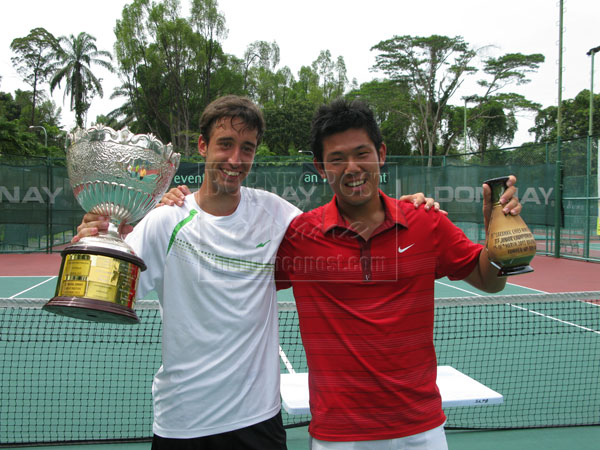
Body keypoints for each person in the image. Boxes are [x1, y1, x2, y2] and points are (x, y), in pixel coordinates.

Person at [73, 95, 444, 449]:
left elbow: (341, 226)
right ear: (202, 146)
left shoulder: (277, 215)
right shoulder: (165, 220)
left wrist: (403, 206)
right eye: (225, 144)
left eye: (247, 148)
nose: (235, 158)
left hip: (258, 420)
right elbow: (104, 294)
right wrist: (98, 241)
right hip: (182, 420)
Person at [274, 98, 522, 450]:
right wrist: (179, 203)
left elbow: (489, 282)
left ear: (381, 153)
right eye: (336, 159)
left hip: (421, 432)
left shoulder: (427, 221)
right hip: (338, 435)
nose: (352, 167)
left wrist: (497, 239)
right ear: (320, 166)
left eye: (361, 153)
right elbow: (233, 275)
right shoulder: (299, 237)